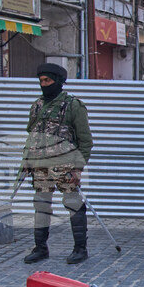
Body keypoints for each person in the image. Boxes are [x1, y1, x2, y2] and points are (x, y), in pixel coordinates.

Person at [21, 63, 93, 264]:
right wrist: (25, 160)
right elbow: (31, 135)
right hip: (40, 166)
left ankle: (80, 249)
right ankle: (40, 248)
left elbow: (86, 141)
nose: (44, 85)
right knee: (41, 205)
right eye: (41, 81)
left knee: (73, 205)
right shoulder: (36, 105)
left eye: (48, 81)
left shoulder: (73, 106)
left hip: (66, 165)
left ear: (59, 82)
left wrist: (78, 168)